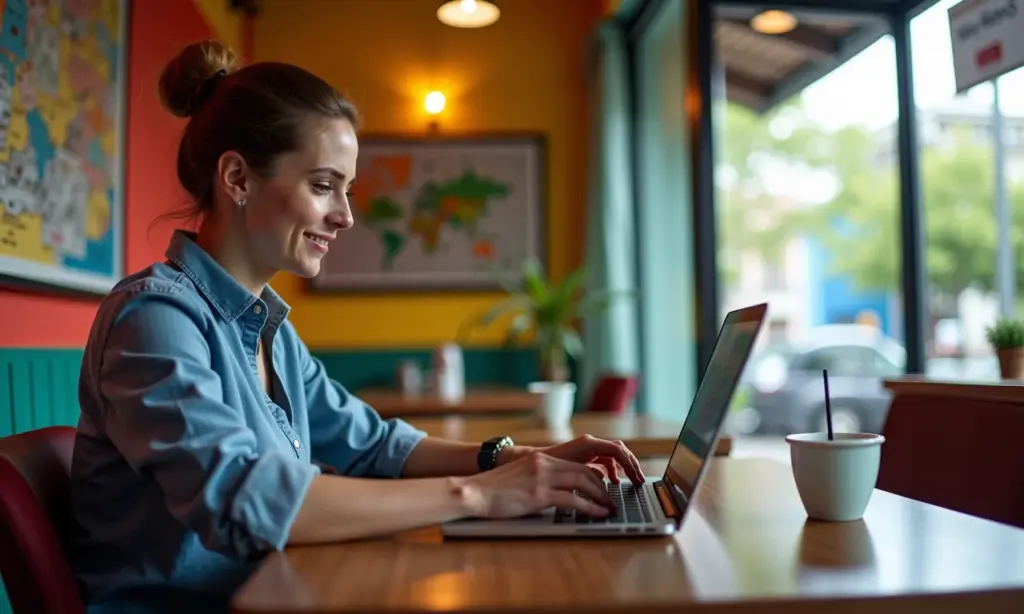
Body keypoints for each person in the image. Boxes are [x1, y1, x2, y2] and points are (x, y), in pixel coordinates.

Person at [69, 40, 644, 614]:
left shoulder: (269, 327)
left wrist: (513, 458)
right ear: (238, 177)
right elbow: (248, 502)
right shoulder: (153, 319)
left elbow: (373, 445)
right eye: (324, 186)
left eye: (347, 189)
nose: (345, 215)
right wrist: (480, 495)